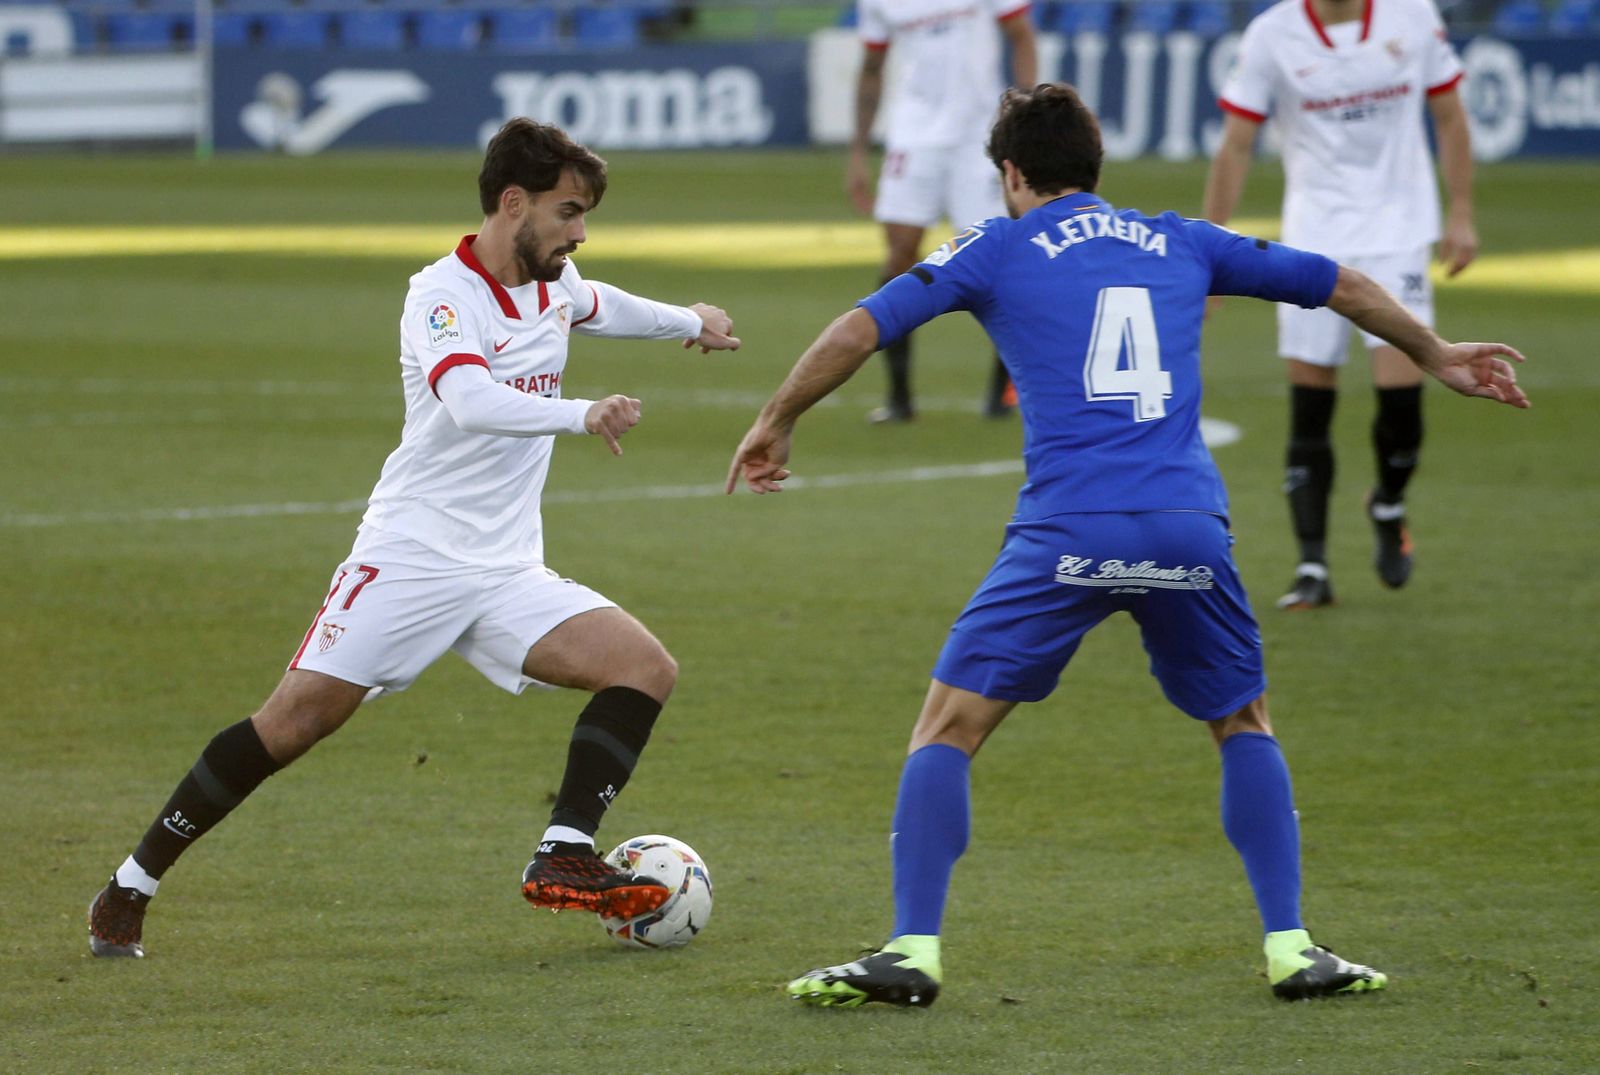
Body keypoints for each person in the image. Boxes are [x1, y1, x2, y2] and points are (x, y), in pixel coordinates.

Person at [727, 83, 1526, 1007]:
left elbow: (862, 326)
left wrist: (778, 417)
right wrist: (1433, 353)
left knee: (949, 727)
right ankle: (1294, 945)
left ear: (1014, 174)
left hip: (1068, 529)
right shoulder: (1184, 239)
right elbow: (1336, 281)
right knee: (1242, 721)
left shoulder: (997, 244)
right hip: (1187, 526)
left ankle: (911, 951)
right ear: (1095, 167)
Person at [86, 119, 741, 959]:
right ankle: (131, 884)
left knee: (644, 666)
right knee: (293, 722)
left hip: (505, 568)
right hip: (411, 556)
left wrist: (688, 318)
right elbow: (469, 400)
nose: (580, 233)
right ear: (515, 204)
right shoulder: (441, 294)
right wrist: (581, 413)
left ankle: (565, 852)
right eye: (569, 212)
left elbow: (600, 302)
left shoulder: (557, 282)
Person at [1201, 0, 1477, 609]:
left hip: (1399, 233)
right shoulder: (1273, 35)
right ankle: (1313, 565)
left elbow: (1451, 116)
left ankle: (1388, 502)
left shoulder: (1412, 17)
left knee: (1403, 397)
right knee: (1311, 404)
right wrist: (1210, 255)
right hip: (1314, 238)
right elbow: (1237, 146)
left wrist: (1460, 212)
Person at [849, 0, 1037, 422]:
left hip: (980, 136)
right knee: (900, 253)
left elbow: (1021, 36)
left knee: (1000, 260)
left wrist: (1025, 120)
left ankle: (1002, 395)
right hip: (913, 134)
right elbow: (872, 67)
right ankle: (899, 399)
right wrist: (859, 151)